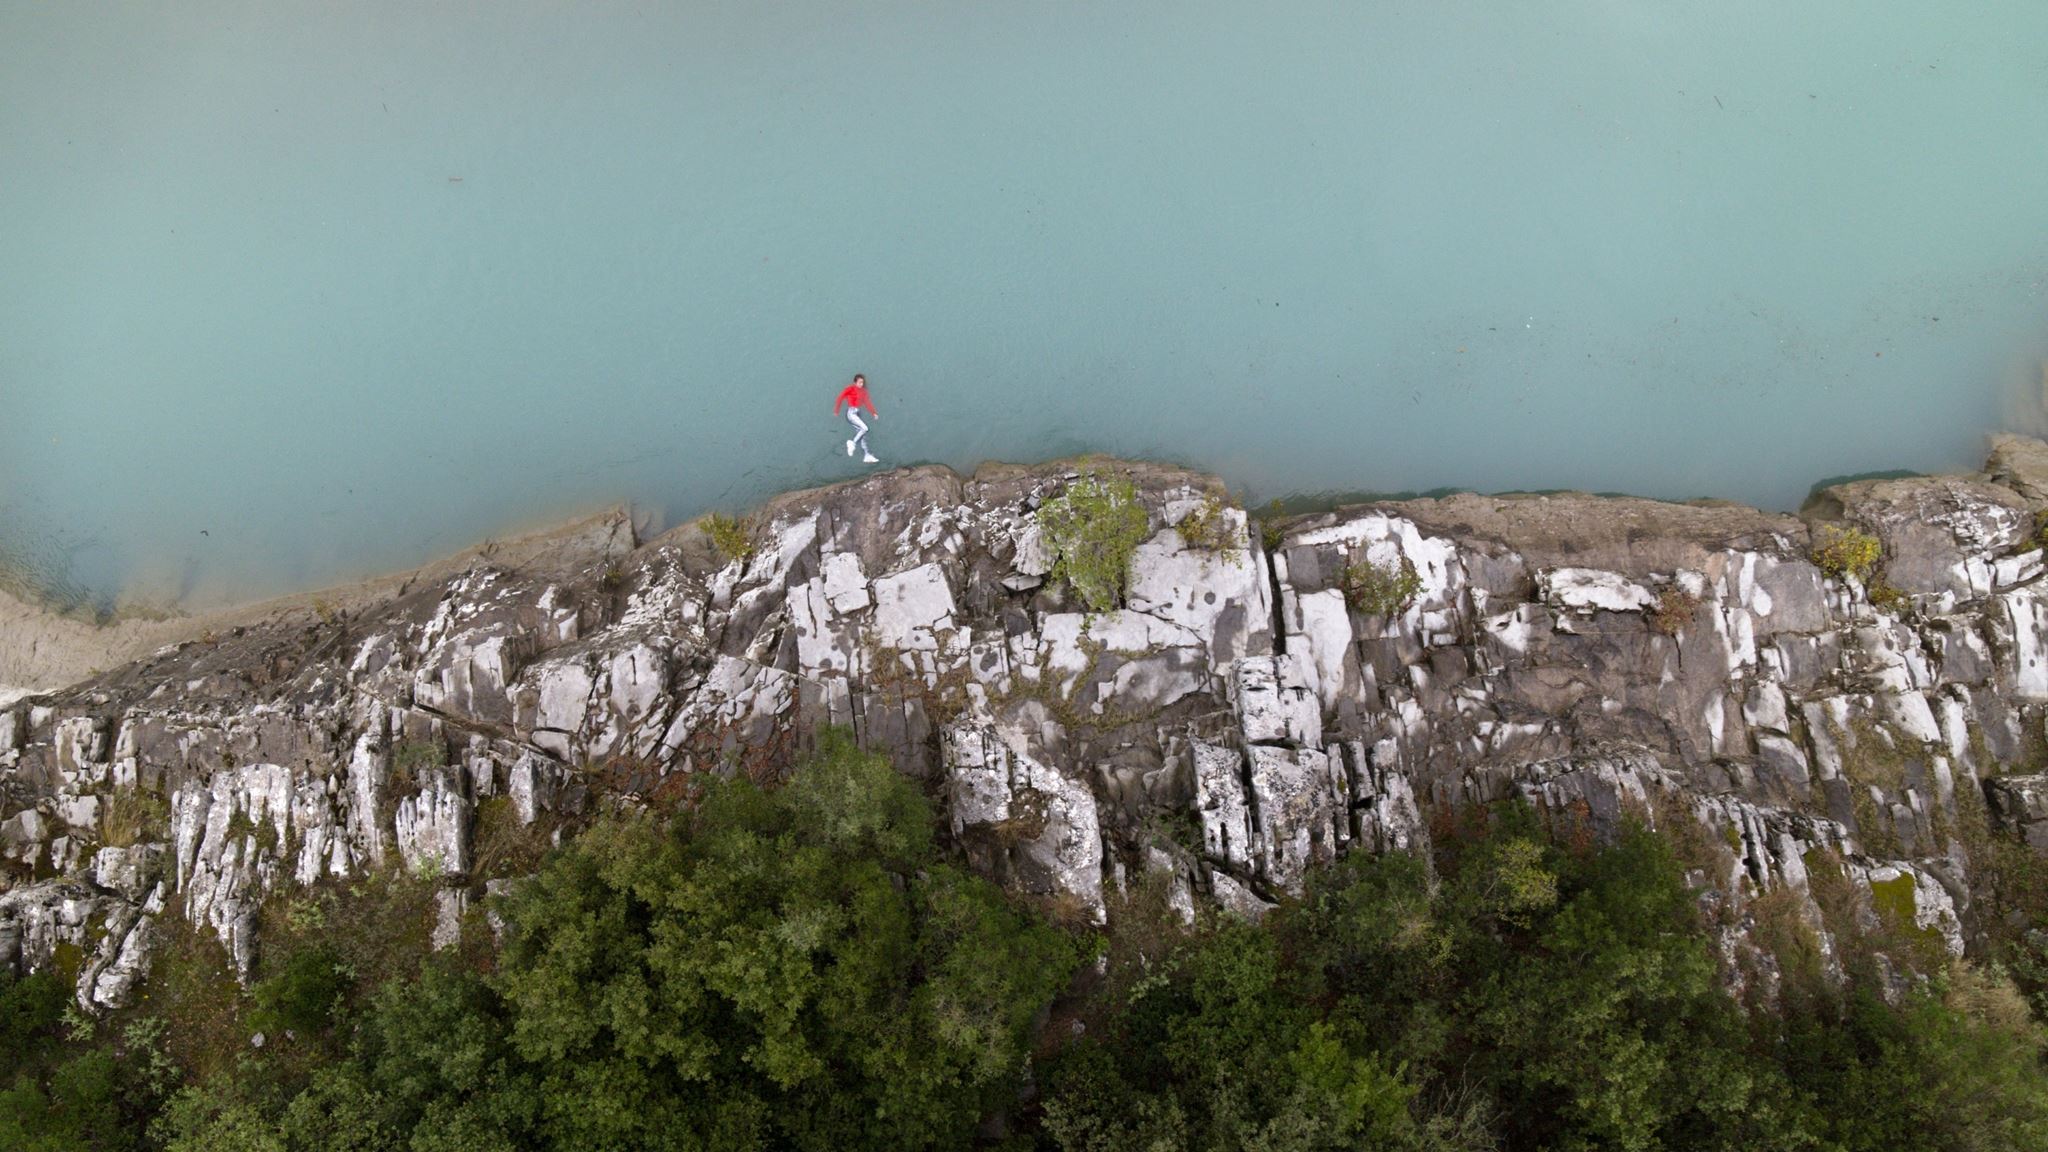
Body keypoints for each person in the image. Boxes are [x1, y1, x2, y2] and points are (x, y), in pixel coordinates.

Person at [834, 373, 879, 463]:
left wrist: (874, 413)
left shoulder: (864, 392)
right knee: (865, 429)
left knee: (862, 435)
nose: (861, 384)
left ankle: (866, 455)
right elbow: (840, 398)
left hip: (857, 413)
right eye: (859, 382)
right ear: (855, 382)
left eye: (862, 382)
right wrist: (836, 411)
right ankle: (852, 443)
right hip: (851, 414)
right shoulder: (850, 389)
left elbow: (867, 403)